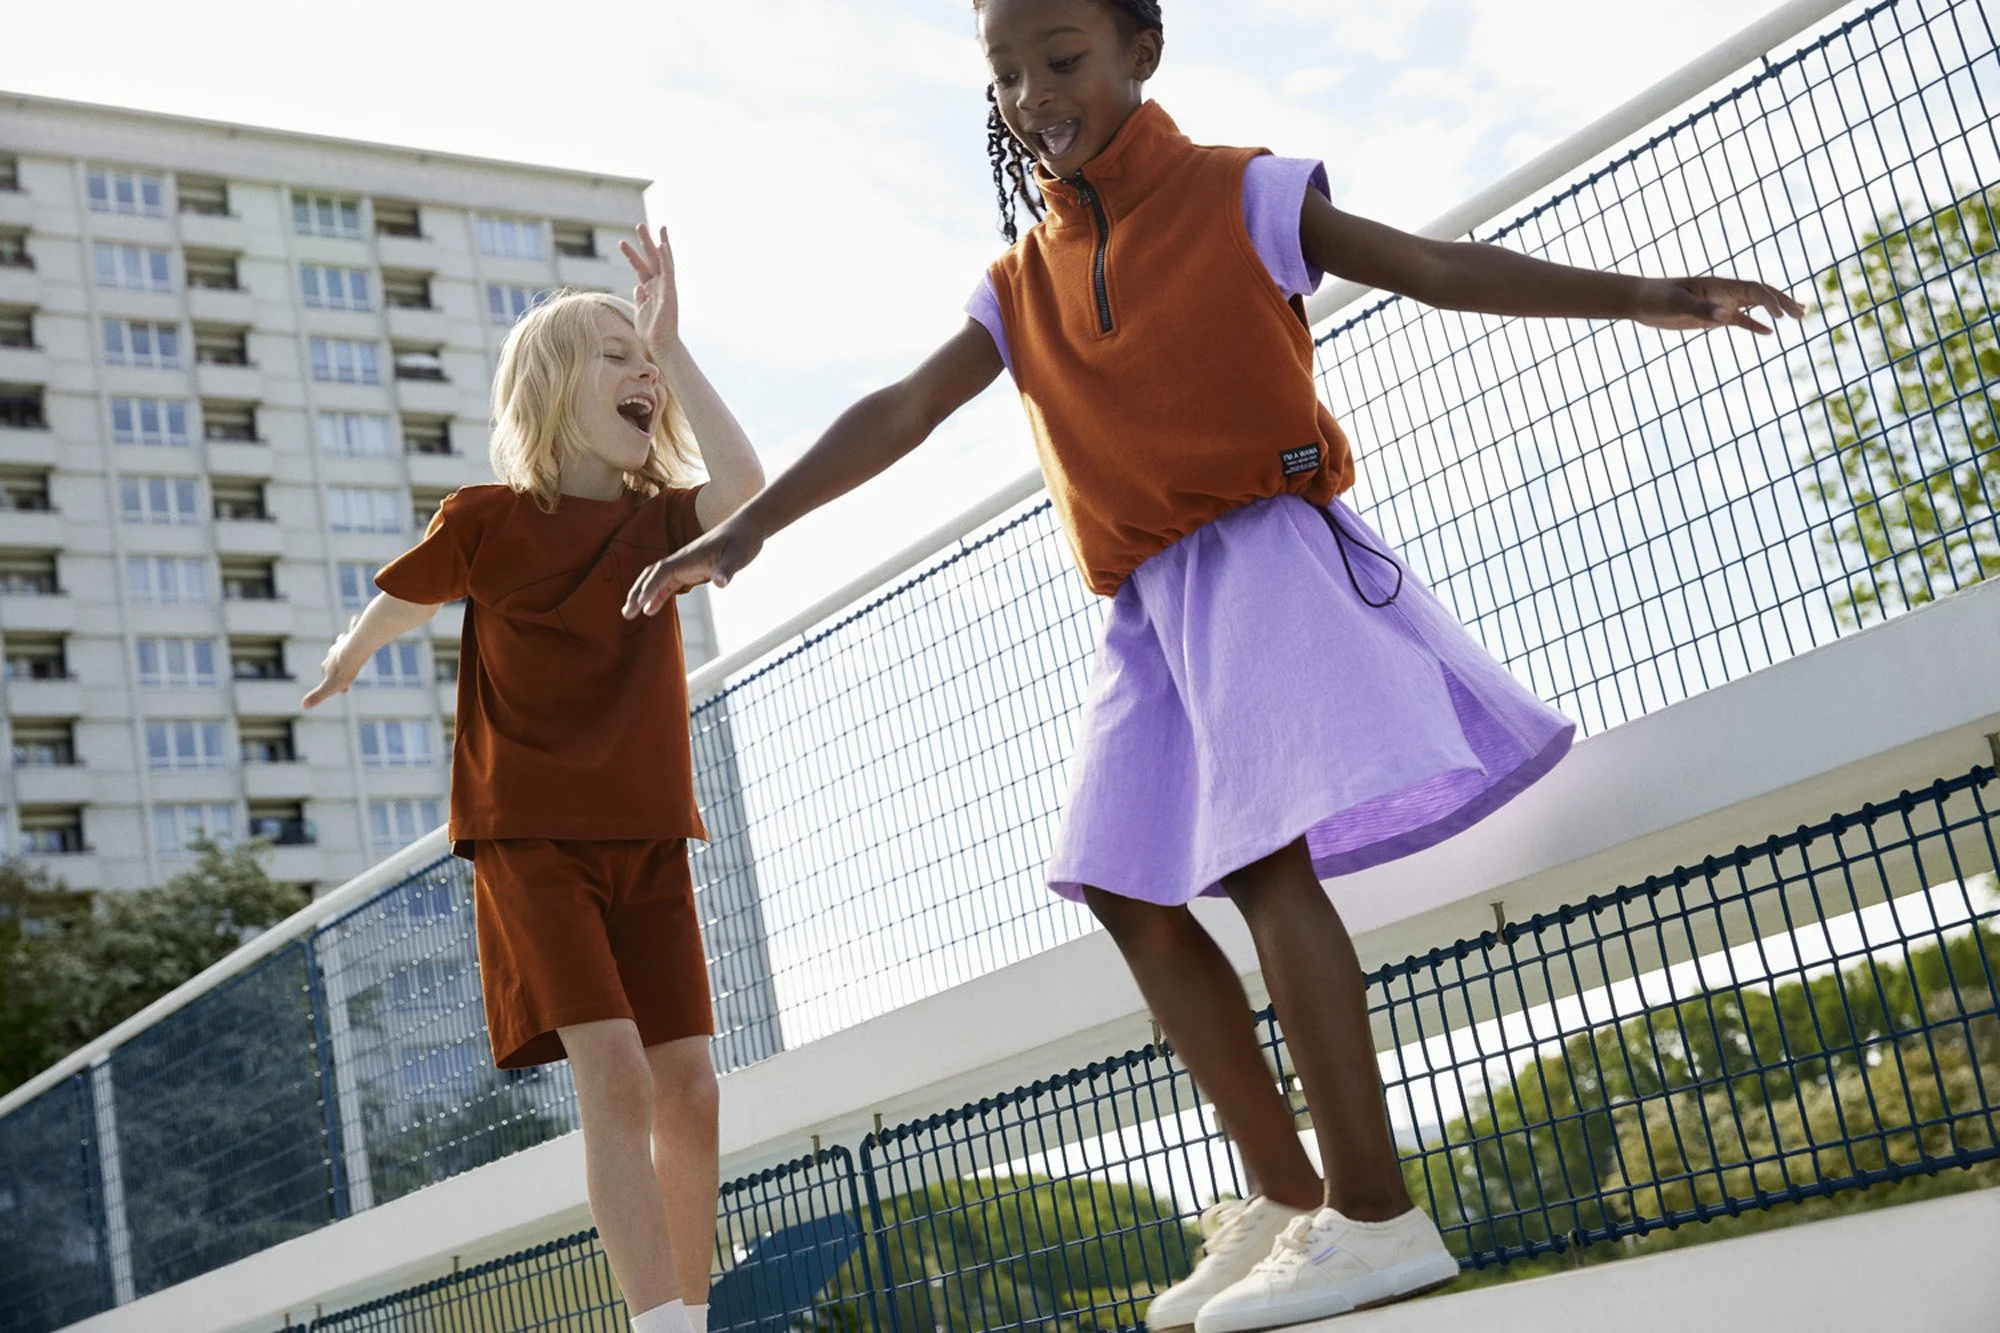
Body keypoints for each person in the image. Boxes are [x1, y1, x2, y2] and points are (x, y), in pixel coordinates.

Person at [621, 3, 1803, 1328]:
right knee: (1124, 882)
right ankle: (1292, 1197)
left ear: (1140, 54)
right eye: (1004, 72)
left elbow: (1428, 265)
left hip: (1258, 555)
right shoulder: (1021, 281)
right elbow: (899, 407)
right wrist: (748, 528)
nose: (1029, 93)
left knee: (1256, 864)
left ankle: (1377, 1213)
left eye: (1060, 58)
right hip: (1146, 608)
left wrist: (1638, 295)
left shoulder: (1241, 192)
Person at [304, 229, 764, 1333]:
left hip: (649, 836)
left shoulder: (662, 520)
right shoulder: (489, 521)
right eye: (613, 354)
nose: (638, 370)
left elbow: (749, 487)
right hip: (531, 841)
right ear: (552, 385)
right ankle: (656, 1319)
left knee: (691, 1088)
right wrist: (351, 651)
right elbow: (412, 595)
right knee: (612, 1074)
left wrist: (674, 341)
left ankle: (689, 1318)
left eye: (640, 356)